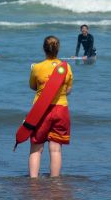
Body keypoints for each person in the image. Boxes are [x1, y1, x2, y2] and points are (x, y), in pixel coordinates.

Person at [28, 36, 73, 178]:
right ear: (58, 49)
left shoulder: (37, 67)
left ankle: (33, 182)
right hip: (61, 109)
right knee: (55, 150)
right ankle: (55, 182)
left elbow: (33, 87)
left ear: (44, 49)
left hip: (41, 110)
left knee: (36, 148)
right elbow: (68, 90)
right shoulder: (66, 67)